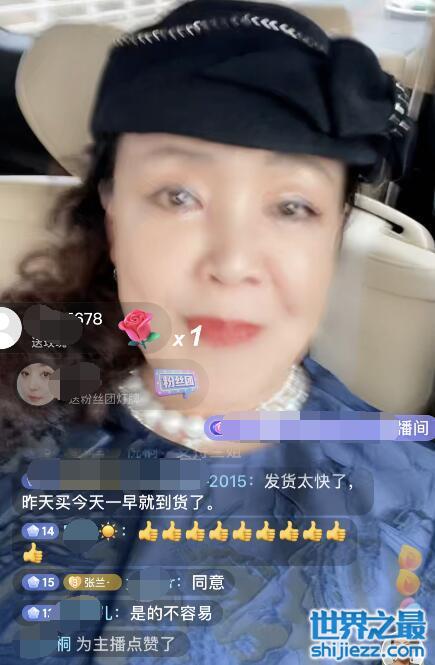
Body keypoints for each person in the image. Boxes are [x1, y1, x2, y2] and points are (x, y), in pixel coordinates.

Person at [0, 1, 433, 664]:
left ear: (335, 233)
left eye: (291, 206)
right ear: (112, 217)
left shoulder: (414, 507)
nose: (232, 262)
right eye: (178, 196)